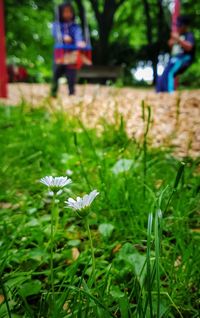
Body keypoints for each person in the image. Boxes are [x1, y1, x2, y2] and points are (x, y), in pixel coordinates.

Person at [51, 3, 86, 97]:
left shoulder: (75, 26)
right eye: (65, 11)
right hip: (60, 54)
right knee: (56, 74)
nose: (68, 14)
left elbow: (78, 35)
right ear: (60, 13)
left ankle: (72, 93)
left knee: (71, 75)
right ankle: (53, 92)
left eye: (69, 11)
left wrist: (79, 42)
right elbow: (54, 33)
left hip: (71, 54)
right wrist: (63, 37)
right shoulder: (57, 25)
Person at [156, 15, 195, 93]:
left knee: (170, 72)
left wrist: (178, 39)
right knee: (164, 73)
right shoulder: (178, 35)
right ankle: (160, 91)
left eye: (179, 25)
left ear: (185, 26)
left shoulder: (189, 35)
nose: (178, 27)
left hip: (184, 58)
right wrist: (173, 40)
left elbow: (189, 47)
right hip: (174, 59)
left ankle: (170, 92)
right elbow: (170, 45)